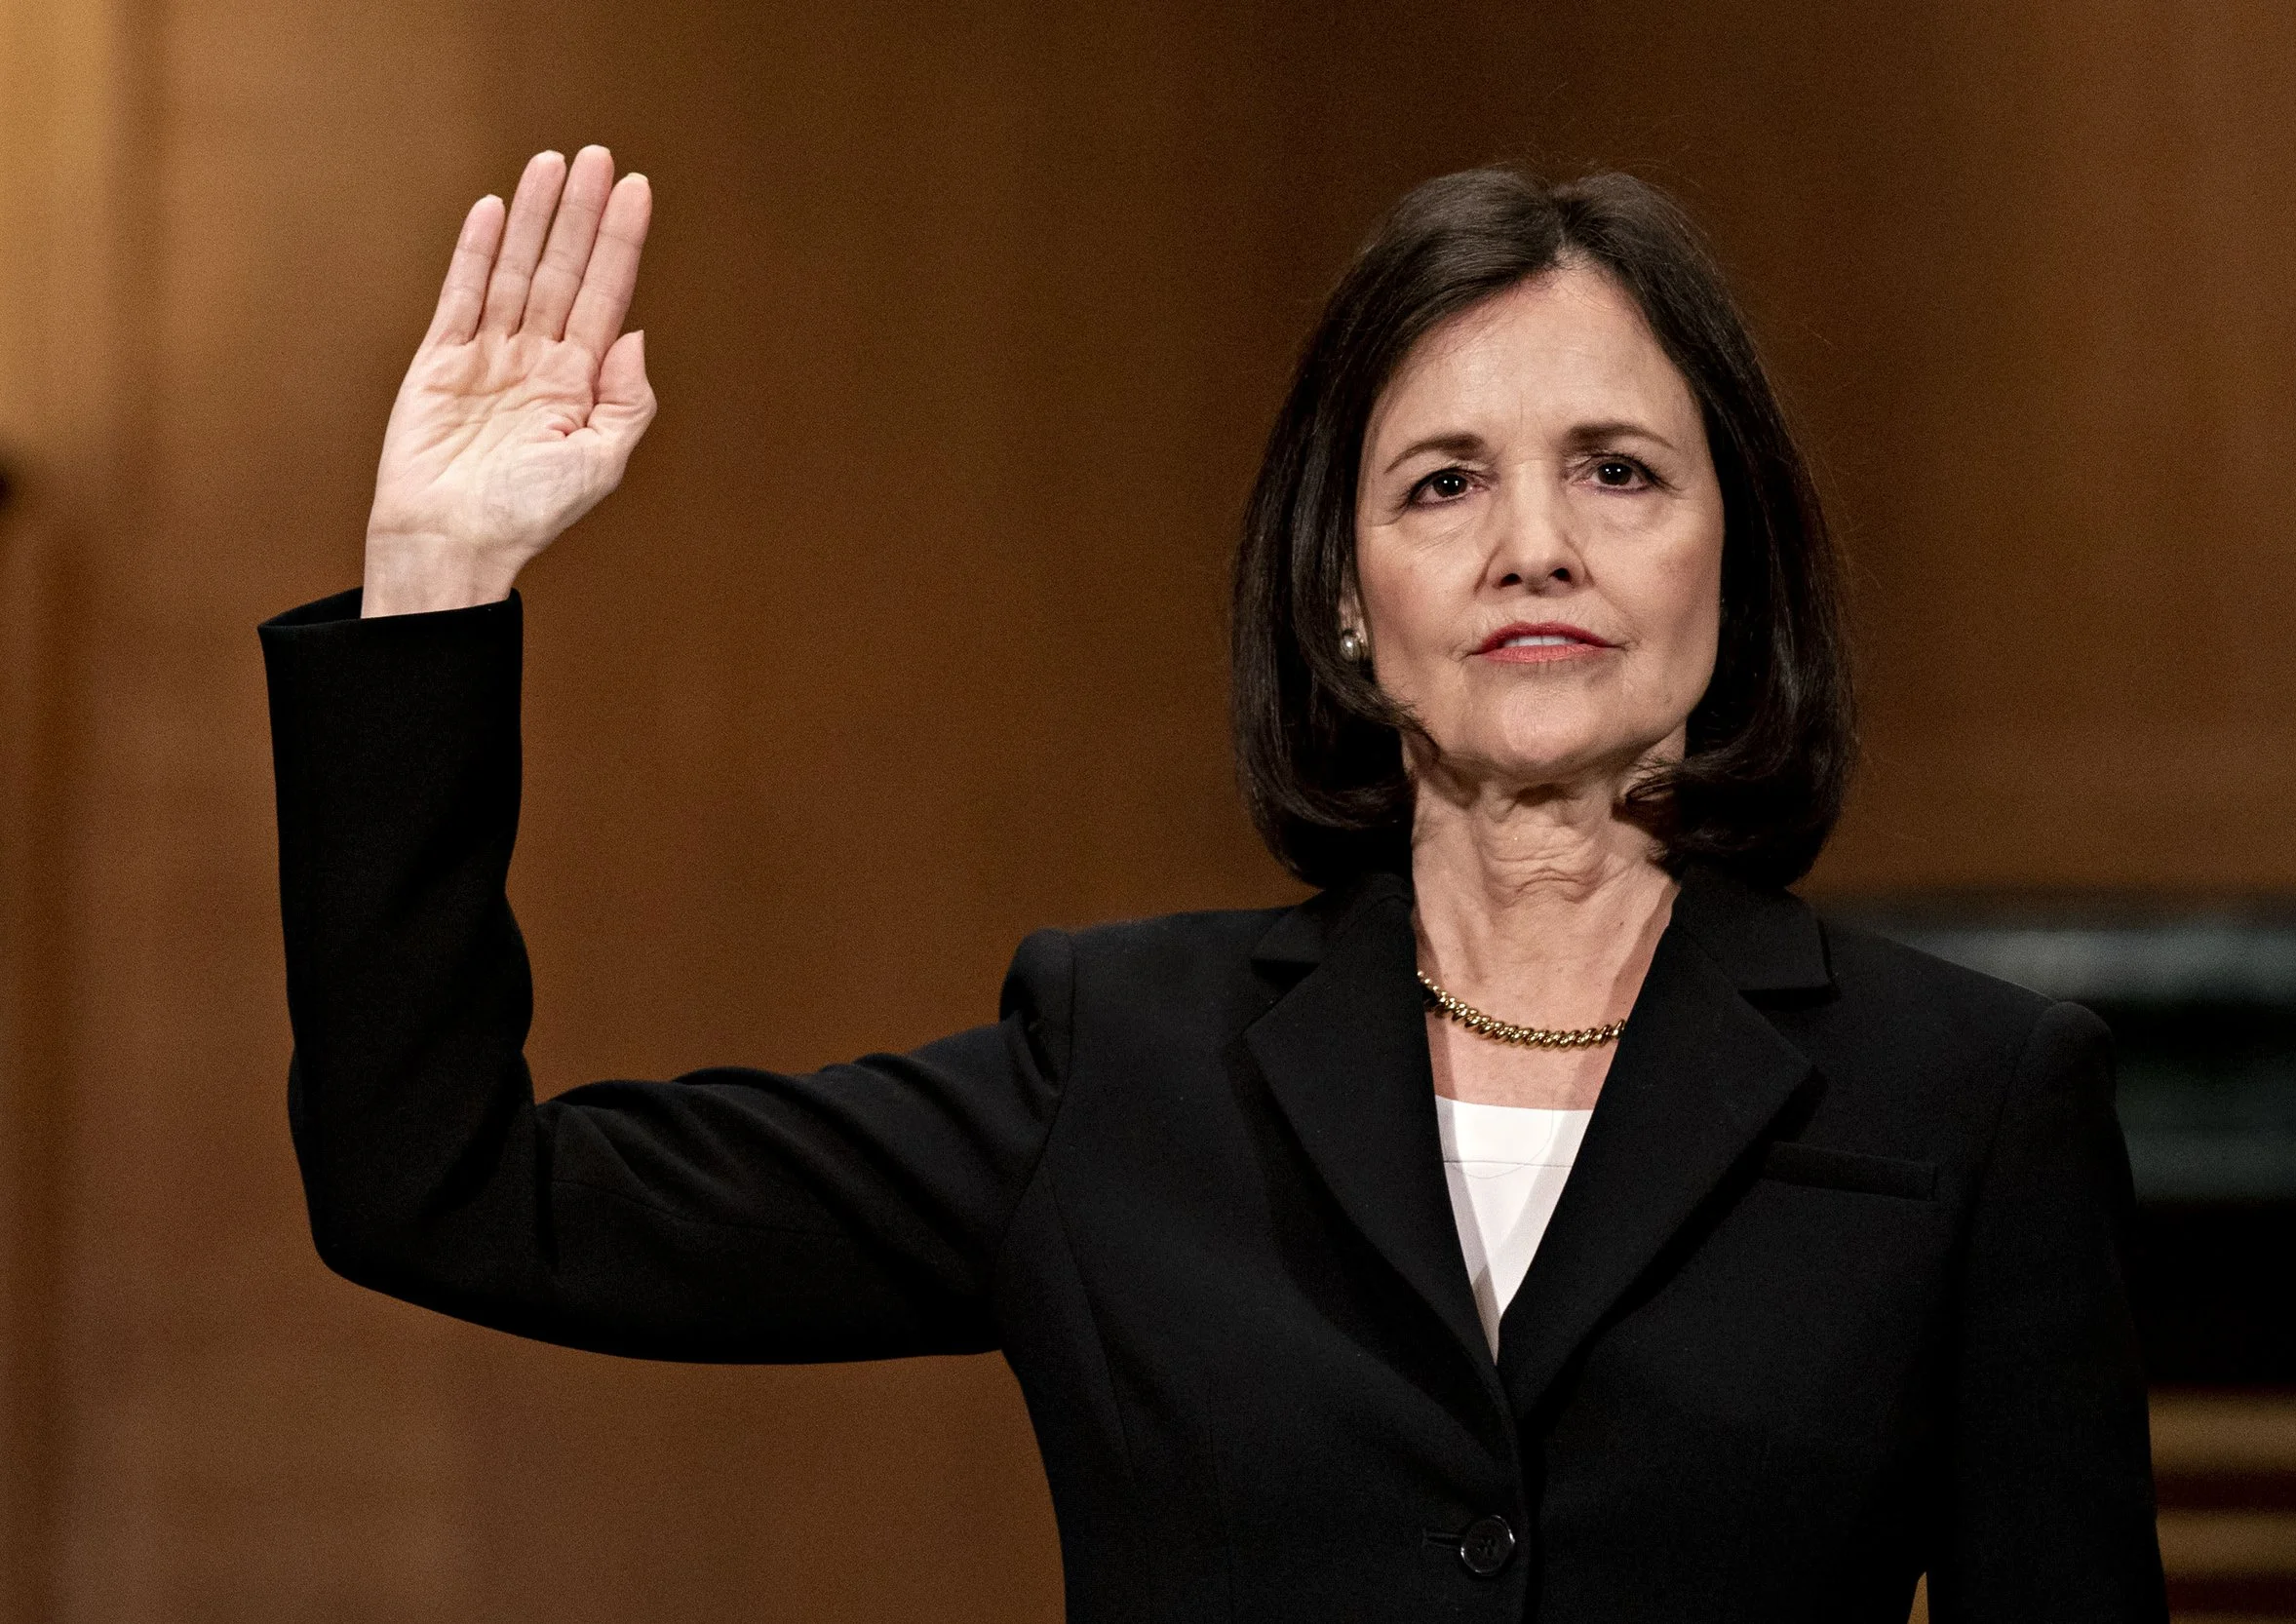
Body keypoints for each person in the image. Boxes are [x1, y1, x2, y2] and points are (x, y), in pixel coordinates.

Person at [260, 145, 2167, 1621]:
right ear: (1342, 602)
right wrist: (437, 579)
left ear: (1728, 559)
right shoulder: (1118, 1066)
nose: (1529, 545)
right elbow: (446, 1189)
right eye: (1438, 482)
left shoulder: (1967, 1099)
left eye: (1613, 472)